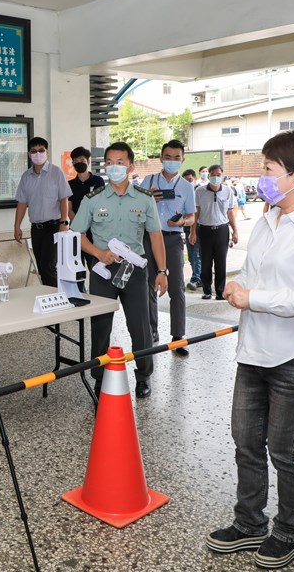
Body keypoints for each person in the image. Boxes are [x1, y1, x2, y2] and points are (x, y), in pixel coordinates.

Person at [207, 130, 294, 568]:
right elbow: (266, 281)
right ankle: (249, 522)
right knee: (246, 443)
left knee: (284, 450)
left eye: (268, 170)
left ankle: (291, 532)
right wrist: (242, 289)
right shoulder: (269, 221)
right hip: (254, 353)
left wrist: (255, 299)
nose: (262, 178)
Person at [71, 142, 167, 398]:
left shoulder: (144, 199)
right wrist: (98, 252)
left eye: (120, 162)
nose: (114, 167)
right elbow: (76, 234)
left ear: (131, 166)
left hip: (135, 271)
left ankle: (144, 376)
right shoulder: (93, 199)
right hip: (103, 270)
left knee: (141, 326)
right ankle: (99, 379)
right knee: (101, 328)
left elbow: (155, 235)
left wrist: (162, 271)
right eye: (110, 163)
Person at [142, 140, 195, 354]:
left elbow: (191, 217)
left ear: (182, 160)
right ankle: (151, 330)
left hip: (173, 239)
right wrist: (147, 199)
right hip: (148, 238)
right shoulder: (148, 181)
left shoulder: (186, 186)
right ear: (160, 158)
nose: (172, 161)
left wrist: (181, 222)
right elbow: (134, 210)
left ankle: (178, 336)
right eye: (168, 157)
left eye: (176, 158)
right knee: (148, 286)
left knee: (176, 288)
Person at [13, 137, 72, 287]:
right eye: (34, 151)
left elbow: (64, 199)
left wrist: (64, 222)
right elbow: (22, 203)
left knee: (49, 267)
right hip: (36, 229)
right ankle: (51, 296)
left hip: (54, 226)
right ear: (29, 154)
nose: (37, 154)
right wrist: (17, 226)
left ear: (47, 152)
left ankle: (57, 299)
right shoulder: (26, 176)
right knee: (41, 267)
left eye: (41, 150)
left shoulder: (56, 172)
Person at [190, 165, 238, 300]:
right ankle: (206, 290)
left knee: (221, 262)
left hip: (222, 230)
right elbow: (196, 212)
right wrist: (192, 232)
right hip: (205, 230)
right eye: (213, 174)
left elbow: (230, 212)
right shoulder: (199, 191)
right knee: (205, 262)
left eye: (218, 174)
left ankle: (219, 291)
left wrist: (235, 231)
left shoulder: (228, 191)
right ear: (208, 176)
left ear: (222, 175)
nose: (216, 177)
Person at [67, 146, 105, 291]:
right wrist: (79, 224)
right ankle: (79, 298)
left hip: (94, 233)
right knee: (77, 270)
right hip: (76, 233)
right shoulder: (70, 184)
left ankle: (98, 296)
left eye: (82, 160)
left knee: (95, 268)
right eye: (75, 161)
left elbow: (101, 206)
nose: (79, 163)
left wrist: (87, 223)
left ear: (88, 162)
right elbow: (69, 209)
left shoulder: (98, 181)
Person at [181, 169, 202, 291]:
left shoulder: (198, 192)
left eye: (190, 180)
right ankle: (199, 276)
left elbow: (196, 213)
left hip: (197, 228)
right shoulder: (183, 193)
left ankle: (196, 279)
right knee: (190, 256)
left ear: (195, 179)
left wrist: (193, 231)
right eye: (185, 181)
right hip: (187, 229)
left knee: (196, 255)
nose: (188, 183)